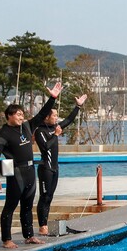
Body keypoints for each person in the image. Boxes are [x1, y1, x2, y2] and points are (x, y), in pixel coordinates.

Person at [0, 82, 62, 248]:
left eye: (22, 114)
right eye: (18, 115)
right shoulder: (2, 134)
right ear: (9, 116)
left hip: (30, 170)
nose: (21, 117)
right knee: (10, 206)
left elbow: (43, 112)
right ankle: (6, 239)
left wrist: (53, 98)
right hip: (15, 172)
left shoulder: (28, 126)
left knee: (28, 206)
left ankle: (29, 236)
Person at [34, 92, 87, 236]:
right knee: (44, 197)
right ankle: (42, 226)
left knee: (50, 197)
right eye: (54, 116)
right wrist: (56, 135)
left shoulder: (54, 127)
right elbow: (45, 147)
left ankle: (45, 223)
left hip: (54, 168)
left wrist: (78, 106)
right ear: (46, 117)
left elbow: (69, 120)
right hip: (45, 168)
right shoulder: (40, 131)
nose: (57, 118)